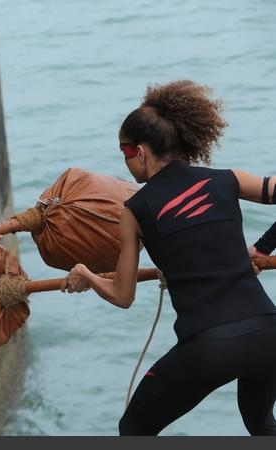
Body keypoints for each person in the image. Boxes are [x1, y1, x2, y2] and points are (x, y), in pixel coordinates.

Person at [61, 80, 276, 435]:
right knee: (260, 422)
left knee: (134, 429)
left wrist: (87, 272)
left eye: (124, 151)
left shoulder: (135, 210)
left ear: (141, 152)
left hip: (209, 346)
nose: (125, 161)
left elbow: (122, 296)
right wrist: (263, 247)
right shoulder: (228, 179)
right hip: (268, 331)